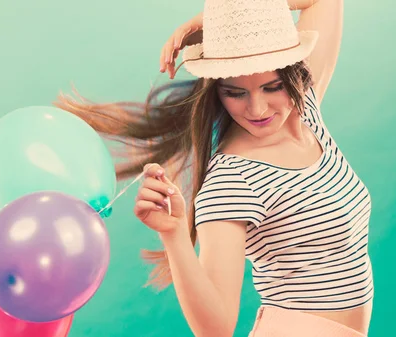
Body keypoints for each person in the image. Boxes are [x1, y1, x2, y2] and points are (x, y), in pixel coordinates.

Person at [55, 0, 373, 336]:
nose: (258, 108)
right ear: (217, 91)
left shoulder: (306, 111)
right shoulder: (233, 179)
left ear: (294, 72)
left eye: (272, 87)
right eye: (235, 93)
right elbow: (216, 329)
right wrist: (174, 236)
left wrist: (218, 20)